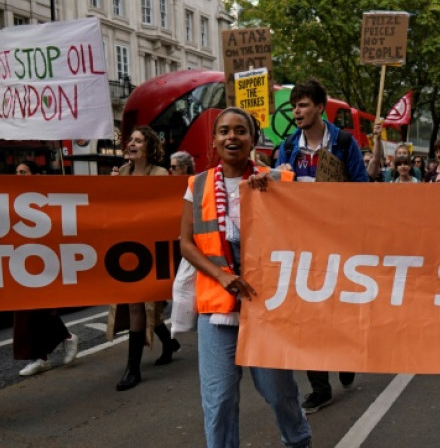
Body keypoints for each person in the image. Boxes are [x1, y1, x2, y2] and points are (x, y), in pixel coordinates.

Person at [181, 107, 311, 448]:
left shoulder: (277, 181)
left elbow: (301, 236)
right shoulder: (197, 186)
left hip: (265, 306)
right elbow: (185, 243)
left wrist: (271, 198)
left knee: (278, 392)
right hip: (217, 309)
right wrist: (221, 277)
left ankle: (298, 440)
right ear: (214, 140)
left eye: (240, 131)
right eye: (224, 131)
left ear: (253, 139)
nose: (231, 137)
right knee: (219, 399)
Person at [274, 78, 367, 414]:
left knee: (338, 309)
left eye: (302, 105)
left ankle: (345, 353)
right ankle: (320, 387)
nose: (296, 111)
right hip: (301, 247)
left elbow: (362, 188)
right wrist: (278, 176)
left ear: (318, 108)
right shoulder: (287, 148)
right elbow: (271, 195)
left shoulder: (343, 143)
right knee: (309, 315)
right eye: (294, 105)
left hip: (339, 243)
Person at [110, 126, 181, 391]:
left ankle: (168, 343)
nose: (131, 143)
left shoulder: (160, 174)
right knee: (135, 305)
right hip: (129, 248)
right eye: (130, 140)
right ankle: (133, 369)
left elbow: (162, 210)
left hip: (154, 247)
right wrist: (111, 187)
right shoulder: (122, 172)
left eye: (138, 140)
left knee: (153, 305)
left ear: (149, 147)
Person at [11, 161, 78, 376]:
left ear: (36, 174)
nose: (19, 175)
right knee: (25, 310)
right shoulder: (11, 198)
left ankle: (64, 339)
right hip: (22, 259)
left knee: (39, 306)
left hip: (43, 258)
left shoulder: (46, 196)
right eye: (17, 172)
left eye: (24, 172)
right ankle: (42, 357)